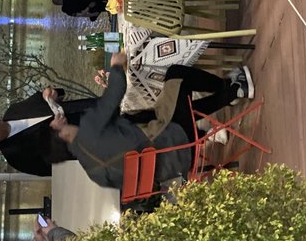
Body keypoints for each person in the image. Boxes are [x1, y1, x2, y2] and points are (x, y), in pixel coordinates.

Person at [49, 52, 255, 189]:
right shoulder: (89, 129)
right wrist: (116, 65)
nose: (57, 118)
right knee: (176, 74)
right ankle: (233, 88)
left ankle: (230, 93)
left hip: (182, 165)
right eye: (54, 123)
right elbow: (115, 92)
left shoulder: (95, 175)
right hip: (175, 137)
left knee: (176, 107)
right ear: (62, 135)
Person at [0, 87, 156, 177]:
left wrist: (51, 93)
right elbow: (57, 170)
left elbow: (51, 96)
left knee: (151, 113)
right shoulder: (16, 157)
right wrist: (56, 134)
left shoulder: (14, 111)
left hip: (97, 110)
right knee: (153, 140)